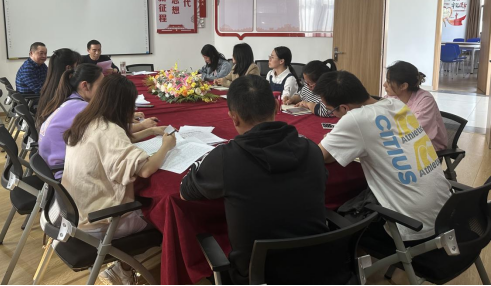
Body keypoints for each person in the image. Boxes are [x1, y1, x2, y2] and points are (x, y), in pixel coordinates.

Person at [180, 75, 328, 285]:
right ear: (277, 106)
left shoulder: (225, 159)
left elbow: (185, 192)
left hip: (256, 276)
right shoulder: (312, 150)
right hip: (320, 268)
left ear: (234, 118)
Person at [314, 71, 451, 246]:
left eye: (330, 110)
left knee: (337, 223)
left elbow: (320, 156)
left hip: (412, 227)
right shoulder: (396, 103)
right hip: (447, 211)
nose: (332, 114)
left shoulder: (356, 119)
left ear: (344, 108)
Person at [63, 74, 176, 285]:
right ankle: (122, 269)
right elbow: (145, 170)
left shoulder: (87, 119)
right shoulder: (109, 131)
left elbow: (121, 140)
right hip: (100, 219)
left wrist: (151, 130)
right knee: (165, 215)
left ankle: (122, 267)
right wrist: (166, 146)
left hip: (74, 210)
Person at [38, 64, 103, 179]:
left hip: (49, 167)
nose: (104, 91)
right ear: (85, 85)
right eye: (101, 86)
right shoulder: (82, 107)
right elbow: (111, 130)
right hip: (62, 173)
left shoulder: (72, 99)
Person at [384, 61, 447, 151]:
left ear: (403, 86)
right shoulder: (392, 97)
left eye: (389, 82)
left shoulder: (425, 100)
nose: (384, 85)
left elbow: (415, 131)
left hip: (428, 147)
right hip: (402, 143)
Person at [35, 48, 81, 128]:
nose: (79, 71)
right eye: (77, 67)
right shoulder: (67, 93)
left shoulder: (49, 88)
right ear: (68, 68)